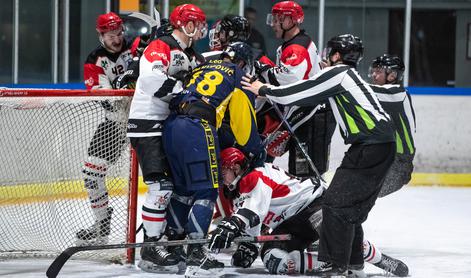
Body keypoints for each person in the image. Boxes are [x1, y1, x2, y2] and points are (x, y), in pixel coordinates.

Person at [241, 34, 396, 277]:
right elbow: (309, 97)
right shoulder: (349, 77)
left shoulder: (338, 74)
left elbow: (299, 92)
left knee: (334, 204)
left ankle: (335, 264)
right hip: (380, 145)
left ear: (336, 56)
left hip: (370, 145)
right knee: (350, 209)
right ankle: (354, 264)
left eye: (327, 53)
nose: (323, 58)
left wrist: (264, 88)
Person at [208, 147, 409, 277]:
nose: (220, 176)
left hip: (312, 205)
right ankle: (329, 264)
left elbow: (253, 212)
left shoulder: (254, 176)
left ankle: (380, 259)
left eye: (222, 170)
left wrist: (231, 225)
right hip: (289, 226)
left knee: (328, 228)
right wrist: (248, 245)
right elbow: (254, 220)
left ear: (235, 166)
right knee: (274, 260)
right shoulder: (238, 192)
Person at [162, 42, 264, 278]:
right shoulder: (238, 76)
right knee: (207, 190)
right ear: (242, 63)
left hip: (171, 127)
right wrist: (255, 149)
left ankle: (173, 244)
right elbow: (244, 128)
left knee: (183, 190)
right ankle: (197, 252)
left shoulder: (200, 68)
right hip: (197, 127)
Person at [126, 3, 207, 273]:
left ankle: (165, 240)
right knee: (160, 187)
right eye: (196, 23)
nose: (200, 29)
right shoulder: (160, 45)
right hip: (147, 125)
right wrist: (184, 91)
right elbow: (150, 80)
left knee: (174, 186)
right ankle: (150, 248)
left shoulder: (188, 52)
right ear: (184, 23)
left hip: (168, 126)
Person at [257, 0, 336, 178]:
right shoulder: (290, 45)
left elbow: (289, 78)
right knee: (301, 169)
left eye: (279, 19)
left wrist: (264, 71)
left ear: (292, 20)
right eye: (273, 19)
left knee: (306, 173)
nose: (274, 24)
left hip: (313, 115)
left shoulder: (297, 47)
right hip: (309, 114)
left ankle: (319, 204)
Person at [77, 12, 133, 244]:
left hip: (149, 120)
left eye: (119, 33)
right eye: (111, 35)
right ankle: (102, 224)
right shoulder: (94, 61)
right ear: (100, 35)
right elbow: (107, 98)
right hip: (116, 124)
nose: (117, 39)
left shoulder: (137, 47)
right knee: (92, 175)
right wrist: (124, 84)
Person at [369, 54, 416, 197]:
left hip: (399, 164)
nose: (374, 75)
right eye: (374, 71)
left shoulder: (397, 94)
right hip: (387, 159)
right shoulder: (385, 94)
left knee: (362, 194)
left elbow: (363, 90)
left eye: (379, 71)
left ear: (392, 75)